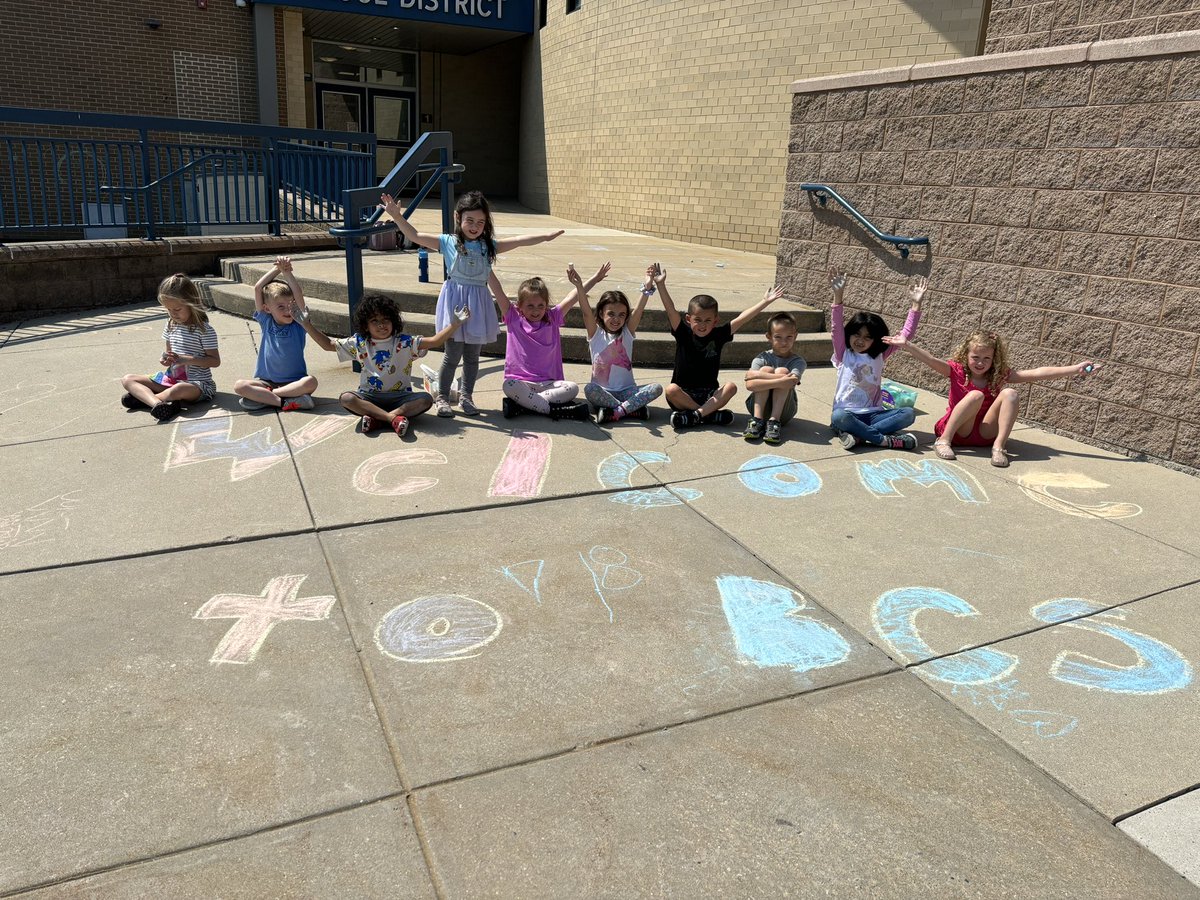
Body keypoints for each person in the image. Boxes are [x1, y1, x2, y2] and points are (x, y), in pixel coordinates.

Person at [380, 190, 563, 418]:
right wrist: (397, 217)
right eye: (470, 220)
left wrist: (544, 237)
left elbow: (517, 241)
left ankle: (467, 396)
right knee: (452, 354)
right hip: (455, 305)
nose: (475, 226)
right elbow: (415, 235)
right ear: (458, 217)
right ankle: (443, 397)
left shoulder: (489, 246)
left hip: (478, 305)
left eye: (480, 222)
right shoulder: (448, 242)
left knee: (472, 356)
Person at [884, 329, 1100, 468]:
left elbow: (1036, 372)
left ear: (993, 359)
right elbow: (930, 359)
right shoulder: (956, 371)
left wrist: (1074, 369)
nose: (980, 363)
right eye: (975, 357)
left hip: (985, 435)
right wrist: (906, 345)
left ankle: (999, 447)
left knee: (1011, 394)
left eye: (986, 358)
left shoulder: (998, 375)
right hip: (959, 431)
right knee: (975, 394)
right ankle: (943, 441)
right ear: (965, 356)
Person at [305, 293, 468, 436]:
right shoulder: (360, 343)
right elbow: (328, 345)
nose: (381, 325)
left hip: (401, 397)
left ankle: (378, 419)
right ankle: (392, 418)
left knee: (425, 399)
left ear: (393, 321)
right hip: (370, 396)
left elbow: (434, 341)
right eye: (374, 321)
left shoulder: (405, 342)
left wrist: (455, 324)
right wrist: (306, 324)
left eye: (385, 319)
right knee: (347, 398)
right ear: (365, 325)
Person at [657, 267, 785, 429]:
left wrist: (765, 302)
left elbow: (742, 319)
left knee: (731, 387)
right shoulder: (683, 332)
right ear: (689, 319)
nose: (702, 325)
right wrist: (661, 285)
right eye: (698, 320)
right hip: (683, 395)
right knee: (671, 390)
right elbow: (670, 310)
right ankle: (708, 415)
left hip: (710, 395)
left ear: (715, 321)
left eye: (707, 320)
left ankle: (695, 416)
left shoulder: (719, 335)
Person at [828, 268, 926, 450]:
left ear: (875, 339)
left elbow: (906, 336)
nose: (860, 340)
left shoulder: (880, 355)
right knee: (838, 417)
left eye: (867, 337)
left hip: (874, 414)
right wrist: (838, 296)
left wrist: (915, 305)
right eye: (856, 335)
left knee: (908, 414)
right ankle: (883, 440)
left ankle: (858, 436)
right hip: (847, 414)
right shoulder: (844, 353)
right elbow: (836, 328)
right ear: (849, 335)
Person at [495, 264, 607, 420]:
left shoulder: (553, 318)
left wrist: (592, 279)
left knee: (572, 388)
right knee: (508, 385)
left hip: (549, 384)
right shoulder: (513, 317)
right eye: (530, 306)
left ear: (546, 305)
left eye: (541, 306)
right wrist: (486, 268)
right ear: (519, 306)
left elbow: (572, 296)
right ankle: (555, 411)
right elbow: (497, 290)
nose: (536, 311)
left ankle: (523, 406)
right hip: (522, 383)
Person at [120, 273, 219, 422]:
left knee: (179, 389)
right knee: (127, 379)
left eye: (177, 309)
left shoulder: (204, 330)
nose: (173, 314)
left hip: (198, 385)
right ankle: (157, 404)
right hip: (171, 379)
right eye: (169, 310)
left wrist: (187, 359)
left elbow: (214, 361)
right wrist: (166, 359)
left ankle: (142, 399)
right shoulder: (170, 325)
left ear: (191, 303)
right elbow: (169, 353)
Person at [581, 262, 664, 424]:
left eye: (621, 314)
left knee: (657, 388)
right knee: (589, 389)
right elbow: (585, 312)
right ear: (601, 313)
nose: (616, 319)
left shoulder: (627, 332)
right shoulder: (596, 333)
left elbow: (639, 309)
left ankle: (616, 411)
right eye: (611, 314)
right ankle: (631, 409)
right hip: (603, 392)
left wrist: (648, 285)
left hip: (628, 391)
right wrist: (579, 286)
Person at [233, 257, 318, 412]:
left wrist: (287, 273)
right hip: (267, 381)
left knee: (311, 382)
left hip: (294, 382)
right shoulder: (266, 321)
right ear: (267, 309)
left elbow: (298, 294)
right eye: (280, 306)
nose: (287, 310)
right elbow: (258, 288)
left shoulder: (299, 323)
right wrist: (277, 269)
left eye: (290, 305)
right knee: (239, 386)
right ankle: (285, 402)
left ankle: (268, 398)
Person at [743, 312, 807, 444]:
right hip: (757, 408)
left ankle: (774, 422)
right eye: (778, 337)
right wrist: (781, 380)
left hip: (783, 413)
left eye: (789, 337)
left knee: (782, 370)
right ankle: (757, 420)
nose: (784, 342)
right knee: (768, 369)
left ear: (795, 336)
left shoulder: (798, 361)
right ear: (769, 337)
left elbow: (791, 382)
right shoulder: (761, 358)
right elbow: (749, 386)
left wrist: (756, 375)